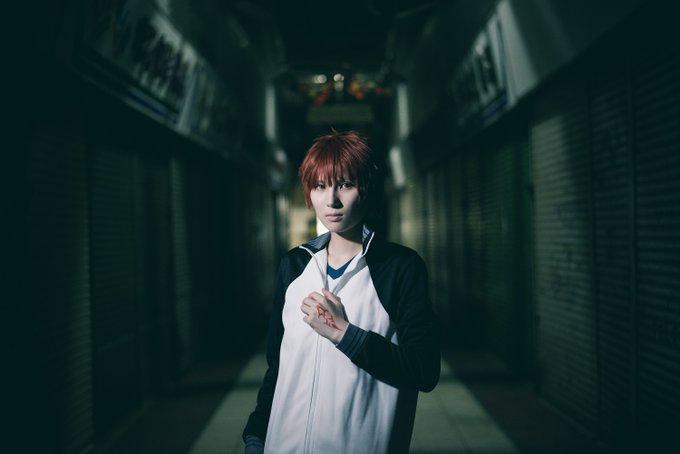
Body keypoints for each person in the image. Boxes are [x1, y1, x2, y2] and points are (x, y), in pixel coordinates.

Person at [242, 130, 440, 454]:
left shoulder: (399, 268)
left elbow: (424, 370)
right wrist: (255, 437)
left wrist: (344, 334)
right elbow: (278, 367)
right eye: (320, 186)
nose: (331, 200)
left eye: (345, 184)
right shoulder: (294, 266)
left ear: (366, 188)